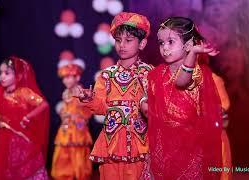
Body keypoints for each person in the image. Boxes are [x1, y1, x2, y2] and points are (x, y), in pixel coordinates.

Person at [73, 12, 153, 180]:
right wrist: (89, 98)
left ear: (142, 43)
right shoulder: (106, 75)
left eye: (128, 40)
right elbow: (101, 107)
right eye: (118, 40)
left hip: (140, 144)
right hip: (111, 143)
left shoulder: (149, 73)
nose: (121, 45)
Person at [147, 17, 222, 179]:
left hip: (189, 146)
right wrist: (144, 106)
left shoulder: (196, 72)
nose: (164, 48)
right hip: (162, 146)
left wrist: (194, 53)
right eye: (161, 43)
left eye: (170, 42)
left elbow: (181, 82)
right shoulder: (156, 74)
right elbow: (151, 105)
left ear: (188, 45)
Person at [0, 56, 50, 180]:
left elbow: (44, 105)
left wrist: (28, 116)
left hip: (24, 141)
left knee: (27, 170)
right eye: (1, 73)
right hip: (3, 141)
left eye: (7, 73)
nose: (2, 76)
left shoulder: (24, 92)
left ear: (18, 76)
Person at [51, 57, 93, 180]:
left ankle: (79, 174)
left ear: (77, 77)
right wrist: (64, 113)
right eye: (64, 78)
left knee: (78, 152)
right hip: (66, 127)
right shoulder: (66, 92)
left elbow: (88, 110)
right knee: (63, 152)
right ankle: (65, 174)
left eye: (69, 77)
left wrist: (78, 116)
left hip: (78, 128)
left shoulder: (81, 93)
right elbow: (66, 108)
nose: (66, 80)